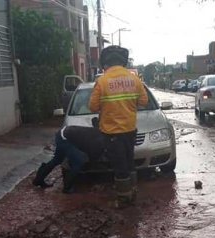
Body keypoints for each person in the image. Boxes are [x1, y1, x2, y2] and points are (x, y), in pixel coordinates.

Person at [89, 45, 148, 208]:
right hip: (130, 129)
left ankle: (124, 199)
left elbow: (93, 107)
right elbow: (143, 101)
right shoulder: (134, 79)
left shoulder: (102, 81)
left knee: (119, 165)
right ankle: (133, 190)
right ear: (123, 62)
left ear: (106, 64)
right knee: (129, 162)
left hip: (112, 131)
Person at [33, 122, 105, 193]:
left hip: (62, 134)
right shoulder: (97, 139)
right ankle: (67, 188)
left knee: (57, 160)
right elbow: (92, 153)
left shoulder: (98, 134)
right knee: (79, 161)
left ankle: (38, 179)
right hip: (65, 138)